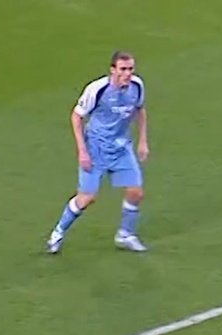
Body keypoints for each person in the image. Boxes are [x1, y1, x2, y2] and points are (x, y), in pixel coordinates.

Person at [46, 51, 150, 254]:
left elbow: (140, 109)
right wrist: (82, 151)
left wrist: (143, 141)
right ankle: (57, 233)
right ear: (113, 70)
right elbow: (76, 117)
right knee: (86, 198)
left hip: (121, 149)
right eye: (123, 69)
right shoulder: (98, 89)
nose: (127, 74)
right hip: (96, 150)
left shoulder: (137, 86)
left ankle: (125, 235)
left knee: (136, 192)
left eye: (130, 69)